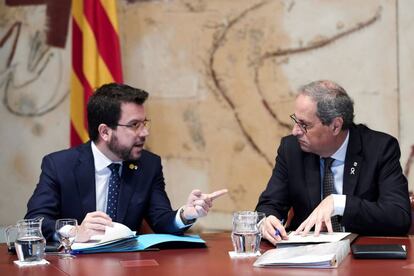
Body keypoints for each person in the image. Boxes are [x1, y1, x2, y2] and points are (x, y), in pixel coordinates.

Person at [25, 83, 227, 242]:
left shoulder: (149, 165)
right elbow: (35, 221)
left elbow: (161, 220)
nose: (145, 132)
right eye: (134, 125)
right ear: (105, 132)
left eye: (144, 123)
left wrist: (186, 214)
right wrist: (74, 231)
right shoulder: (60, 165)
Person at [256, 80, 411, 245]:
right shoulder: (291, 149)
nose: (295, 131)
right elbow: (269, 204)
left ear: (336, 126)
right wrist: (265, 221)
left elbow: (398, 216)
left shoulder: (379, 149)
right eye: (296, 120)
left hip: (358, 257)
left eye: (304, 125)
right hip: (304, 255)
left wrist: (339, 203)